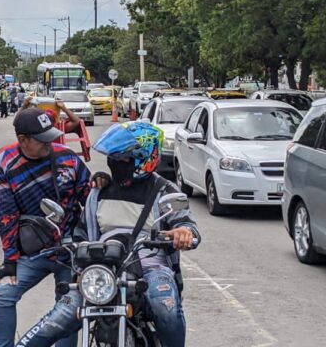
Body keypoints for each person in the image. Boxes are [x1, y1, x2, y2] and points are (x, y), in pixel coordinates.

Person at [16, 121, 201, 347]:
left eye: (122, 159)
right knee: (59, 318)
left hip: (150, 269)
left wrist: (183, 232)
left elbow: (187, 225)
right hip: (101, 271)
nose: (114, 163)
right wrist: (77, 262)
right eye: (112, 158)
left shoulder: (164, 191)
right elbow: (82, 233)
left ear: (143, 159)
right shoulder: (99, 191)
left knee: (166, 309)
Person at [0, 107, 97, 347]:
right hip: (34, 251)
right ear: (22, 140)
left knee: (68, 306)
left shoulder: (68, 158)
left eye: (50, 137)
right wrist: (10, 260)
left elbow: (91, 201)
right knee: (4, 294)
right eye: (41, 140)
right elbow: (6, 214)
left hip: (71, 249)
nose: (49, 144)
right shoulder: (4, 161)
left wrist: (101, 183)